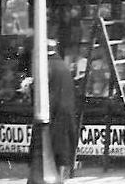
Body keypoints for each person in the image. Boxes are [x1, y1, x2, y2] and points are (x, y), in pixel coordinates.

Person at [47, 39, 78, 182]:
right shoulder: (63, 65)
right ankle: (64, 175)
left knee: (57, 146)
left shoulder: (48, 65)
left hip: (55, 110)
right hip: (68, 108)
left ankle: (59, 177)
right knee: (65, 144)